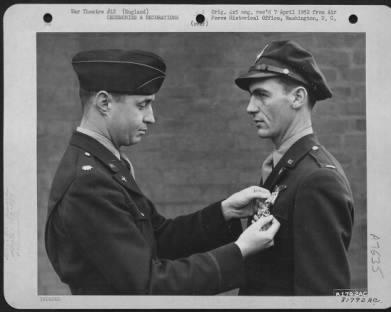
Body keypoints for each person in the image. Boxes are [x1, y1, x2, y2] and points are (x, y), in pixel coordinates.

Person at [45, 49, 280, 295]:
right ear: (104, 103)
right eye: (143, 105)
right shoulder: (89, 183)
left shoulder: (104, 165)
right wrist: (239, 251)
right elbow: (149, 285)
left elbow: (157, 238)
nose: (151, 118)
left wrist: (224, 212)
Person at [234, 40, 354, 295]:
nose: (250, 107)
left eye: (262, 95)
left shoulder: (318, 180)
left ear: (298, 97)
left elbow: (322, 296)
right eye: (251, 96)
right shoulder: (286, 168)